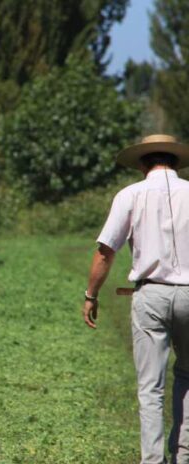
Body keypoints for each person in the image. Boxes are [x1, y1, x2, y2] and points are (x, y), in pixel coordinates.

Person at [82, 134, 189, 464]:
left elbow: (105, 253)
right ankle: (184, 455)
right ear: (173, 161)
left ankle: (153, 461)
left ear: (143, 163)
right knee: (188, 377)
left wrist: (91, 294)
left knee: (150, 387)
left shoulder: (130, 194)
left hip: (151, 294)